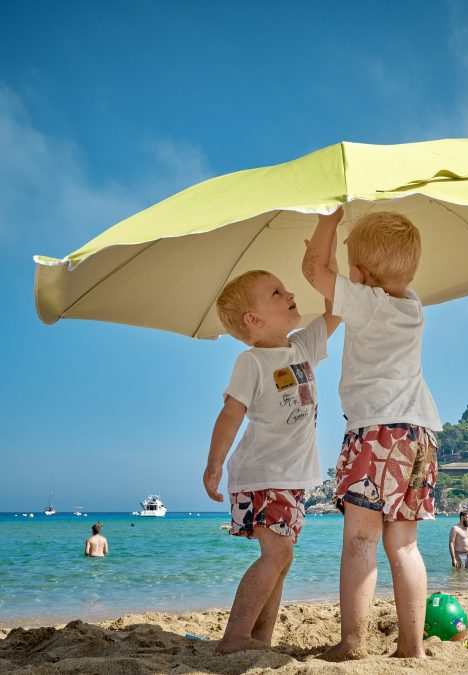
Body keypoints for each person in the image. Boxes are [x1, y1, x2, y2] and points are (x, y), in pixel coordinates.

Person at [303, 208, 441, 660]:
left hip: (377, 433)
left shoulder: (367, 302)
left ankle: (352, 643)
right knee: (404, 545)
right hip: (419, 434)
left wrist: (328, 222)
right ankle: (412, 648)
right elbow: (336, 283)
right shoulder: (412, 305)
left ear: (360, 276)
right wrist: (351, 270)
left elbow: (314, 271)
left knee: (361, 539)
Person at [202, 267, 339, 654]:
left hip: (292, 478)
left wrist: (326, 264)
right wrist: (214, 465)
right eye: (277, 293)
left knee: (283, 558)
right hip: (262, 474)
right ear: (254, 320)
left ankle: (259, 640)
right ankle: (235, 637)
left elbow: (337, 310)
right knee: (276, 553)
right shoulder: (252, 362)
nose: (290, 293)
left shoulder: (303, 346)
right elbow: (230, 414)